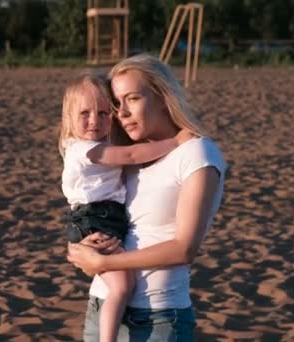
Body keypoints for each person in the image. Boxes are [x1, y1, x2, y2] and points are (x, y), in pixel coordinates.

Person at [67, 54, 227, 341]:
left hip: (159, 318)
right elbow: (95, 209)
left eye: (133, 99)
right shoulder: (126, 156)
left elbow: (184, 250)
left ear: (162, 96)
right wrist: (81, 248)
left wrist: (104, 264)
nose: (122, 113)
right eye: (116, 103)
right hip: (103, 309)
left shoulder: (196, 153)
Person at [59, 72, 190, 342]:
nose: (94, 121)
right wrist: (175, 143)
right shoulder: (83, 149)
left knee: (124, 284)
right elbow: (130, 155)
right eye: (85, 113)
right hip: (94, 218)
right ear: (69, 118)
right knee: (120, 287)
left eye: (104, 113)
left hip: (104, 218)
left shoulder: (97, 142)